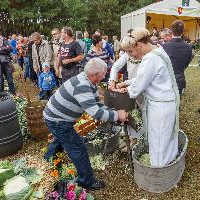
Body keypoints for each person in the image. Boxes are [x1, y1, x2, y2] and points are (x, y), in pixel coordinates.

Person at [43, 58, 128, 190]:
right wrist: (118, 115)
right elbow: (96, 113)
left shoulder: (89, 81)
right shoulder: (82, 85)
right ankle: (87, 181)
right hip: (57, 120)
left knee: (61, 138)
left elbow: (97, 105)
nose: (104, 77)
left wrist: (113, 112)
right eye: (103, 74)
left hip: (55, 116)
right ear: (95, 74)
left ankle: (48, 161)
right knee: (78, 148)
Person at [111, 27, 180, 167]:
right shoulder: (158, 50)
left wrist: (121, 90)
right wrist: (126, 82)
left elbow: (137, 87)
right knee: (167, 136)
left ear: (138, 44)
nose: (131, 55)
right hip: (166, 102)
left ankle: (159, 166)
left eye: (130, 51)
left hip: (160, 106)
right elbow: (145, 78)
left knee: (159, 138)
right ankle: (169, 159)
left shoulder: (150, 59)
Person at [162, 20, 193, 95]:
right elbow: (187, 62)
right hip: (180, 79)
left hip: (166, 80)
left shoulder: (164, 46)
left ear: (171, 31)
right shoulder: (189, 47)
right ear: (183, 31)